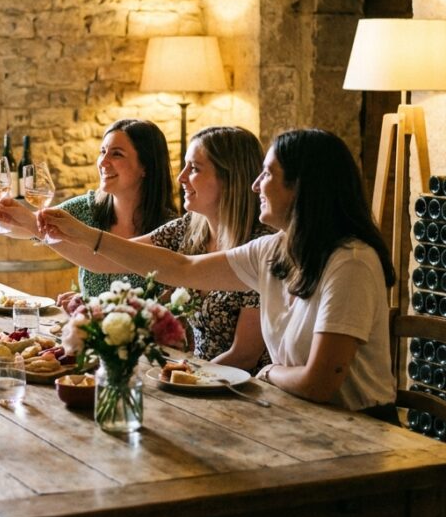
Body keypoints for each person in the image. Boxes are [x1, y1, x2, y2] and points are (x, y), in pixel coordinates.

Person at [39, 129, 396, 415]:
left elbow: (320, 383)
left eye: (269, 173)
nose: (257, 185)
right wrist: (85, 235)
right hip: (294, 413)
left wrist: (267, 373)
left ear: (302, 187)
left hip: (358, 429)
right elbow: (181, 267)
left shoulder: (351, 262)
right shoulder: (275, 249)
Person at [11, 127, 271, 372]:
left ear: (229, 178)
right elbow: (114, 259)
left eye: (194, 168)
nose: (181, 177)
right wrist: (42, 226)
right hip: (195, 374)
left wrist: (186, 377)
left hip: (245, 390)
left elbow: (244, 355)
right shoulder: (189, 230)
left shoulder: (260, 247)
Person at [0, 119, 176, 298]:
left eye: (117, 154)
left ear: (146, 166)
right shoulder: (88, 207)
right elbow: (29, 228)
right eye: (102, 152)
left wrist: (90, 307)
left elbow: (99, 260)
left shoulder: (170, 229)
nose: (103, 162)